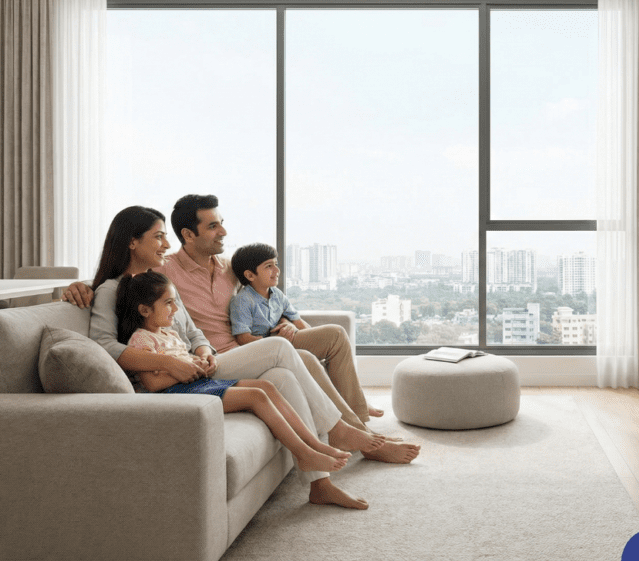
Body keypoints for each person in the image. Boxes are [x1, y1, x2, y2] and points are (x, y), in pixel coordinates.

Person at [65, 197, 418, 465]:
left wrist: (204, 350)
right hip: (195, 368)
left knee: (293, 367)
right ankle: (341, 432)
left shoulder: (203, 272)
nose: (166, 244)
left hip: (212, 357)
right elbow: (105, 336)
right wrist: (75, 287)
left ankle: (326, 470)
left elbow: (198, 329)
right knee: (281, 350)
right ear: (133, 241)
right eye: (159, 237)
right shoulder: (157, 275)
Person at [117, 270, 350, 476]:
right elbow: (152, 383)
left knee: (267, 386)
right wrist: (190, 370)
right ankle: (303, 454)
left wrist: (200, 361)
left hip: (195, 384)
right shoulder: (141, 339)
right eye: (168, 303)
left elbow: (185, 360)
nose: (175, 309)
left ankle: (314, 444)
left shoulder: (170, 334)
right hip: (177, 394)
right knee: (256, 396)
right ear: (144, 310)